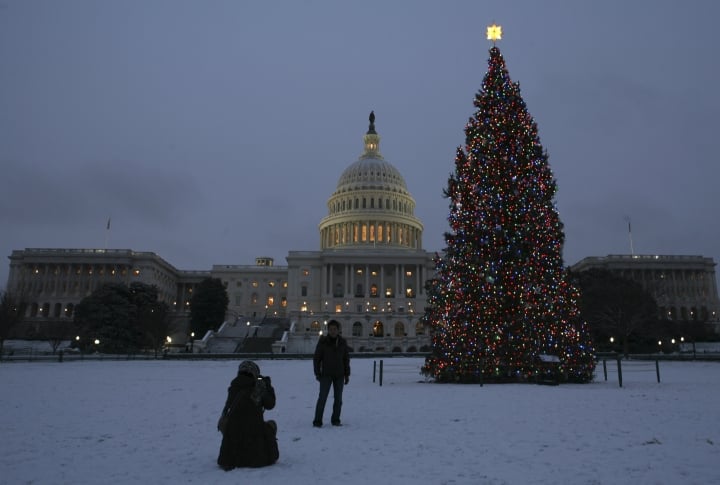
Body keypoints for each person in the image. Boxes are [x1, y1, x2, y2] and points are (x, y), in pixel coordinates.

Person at [217, 360, 279, 470]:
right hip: (255, 453)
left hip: (231, 456)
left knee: (231, 423)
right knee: (271, 425)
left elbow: (226, 410)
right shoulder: (258, 387)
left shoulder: (234, 387)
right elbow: (270, 404)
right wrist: (267, 386)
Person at [313, 319, 350, 427]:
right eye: (331, 329)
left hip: (339, 374)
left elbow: (346, 359)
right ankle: (317, 421)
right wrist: (317, 373)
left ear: (338, 330)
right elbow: (317, 358)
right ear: (328, 330)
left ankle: (336, 420)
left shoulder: (342, 342)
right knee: (322, 398)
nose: (333, 331)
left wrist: (347, 374)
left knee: (338, 399)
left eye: (335, 329)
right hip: (326, 374)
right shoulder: (323, 342)